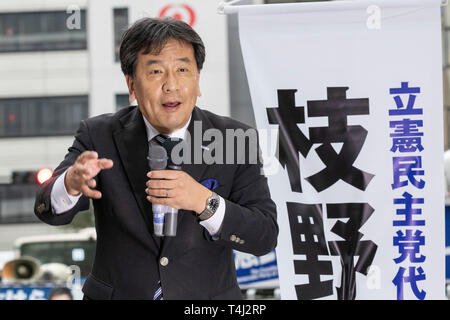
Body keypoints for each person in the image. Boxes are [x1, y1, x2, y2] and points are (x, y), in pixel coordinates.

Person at [34, 17, 278, 300]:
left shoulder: (235, 138)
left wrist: (203, 201)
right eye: (156, 72)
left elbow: (264, 235)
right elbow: (47, 207)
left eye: (183, 69)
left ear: (197, 80)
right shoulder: (98, 135)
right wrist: (71, 184)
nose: (171, 85)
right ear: (132, 84)